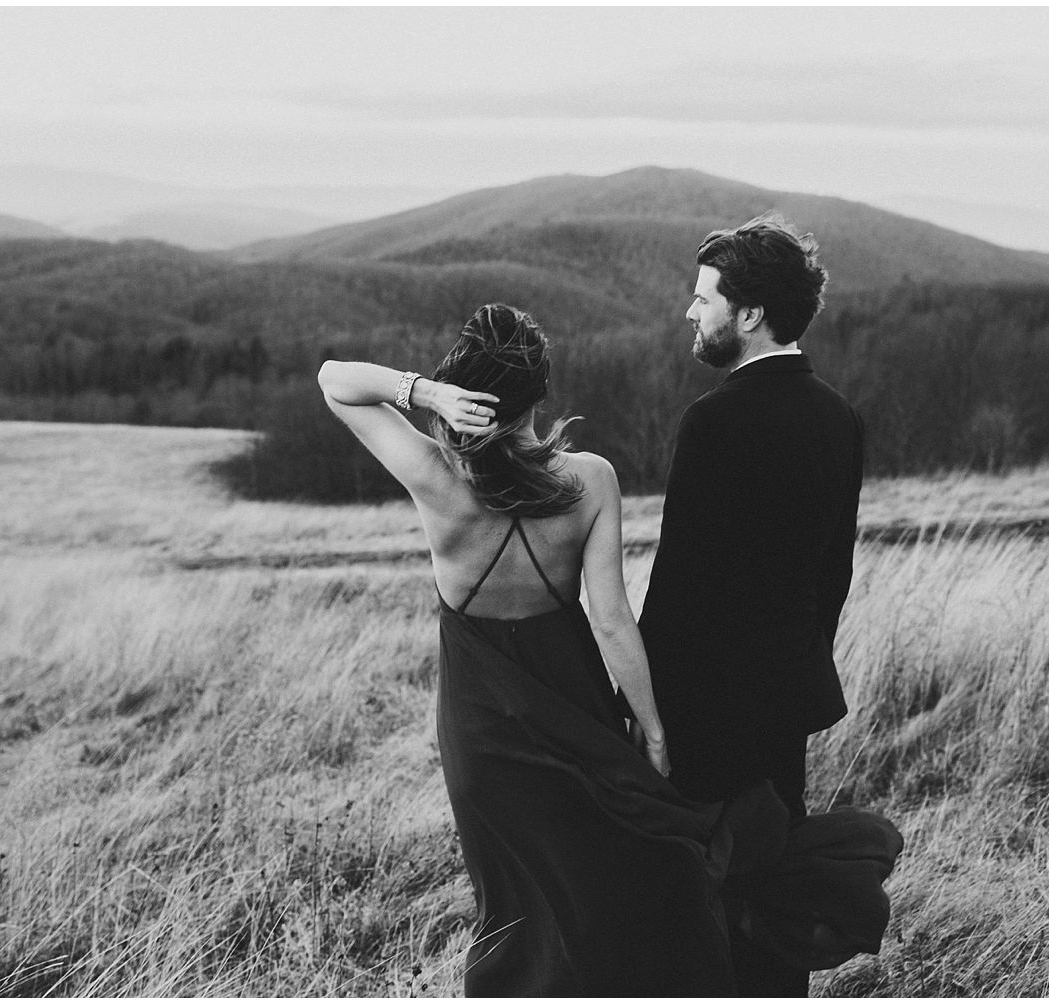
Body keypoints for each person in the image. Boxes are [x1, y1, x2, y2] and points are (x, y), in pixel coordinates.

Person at [320, 303, 898, 996]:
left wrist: (420, 392)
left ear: (467, 393)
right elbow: (612, 621)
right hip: (576, 709)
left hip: (481, 732)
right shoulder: (588, 479)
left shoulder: (436, 476)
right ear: (541, 395)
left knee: (512, 900)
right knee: (603, 881)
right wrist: (652, 731)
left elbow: (333, 380)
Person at [637, 214, 866, 996]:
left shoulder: (713, 423)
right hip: (783, 711)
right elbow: (831, 579)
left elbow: (679, 589)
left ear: (750, 314)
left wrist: (646, 712)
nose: (691, 313)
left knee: (700, 909)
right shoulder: (840, 420)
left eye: (705, 299)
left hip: (705, 717)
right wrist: (795, 676)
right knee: (772, 897)